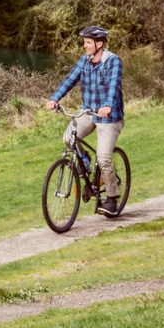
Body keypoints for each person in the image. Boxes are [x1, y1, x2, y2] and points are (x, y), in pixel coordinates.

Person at [44, 26, 125, 216]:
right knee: (68, 138)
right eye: (85, 42)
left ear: (99, 44)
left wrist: (107, 106)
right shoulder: (84, 61)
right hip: (88, 112)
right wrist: (55, 98)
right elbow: (69, 80)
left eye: (88, 42)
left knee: (104, 158)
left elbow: (113, 87)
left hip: (109, 116)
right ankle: (85, 163)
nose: (85, 46)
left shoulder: (113, 61)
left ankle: (112, 199)